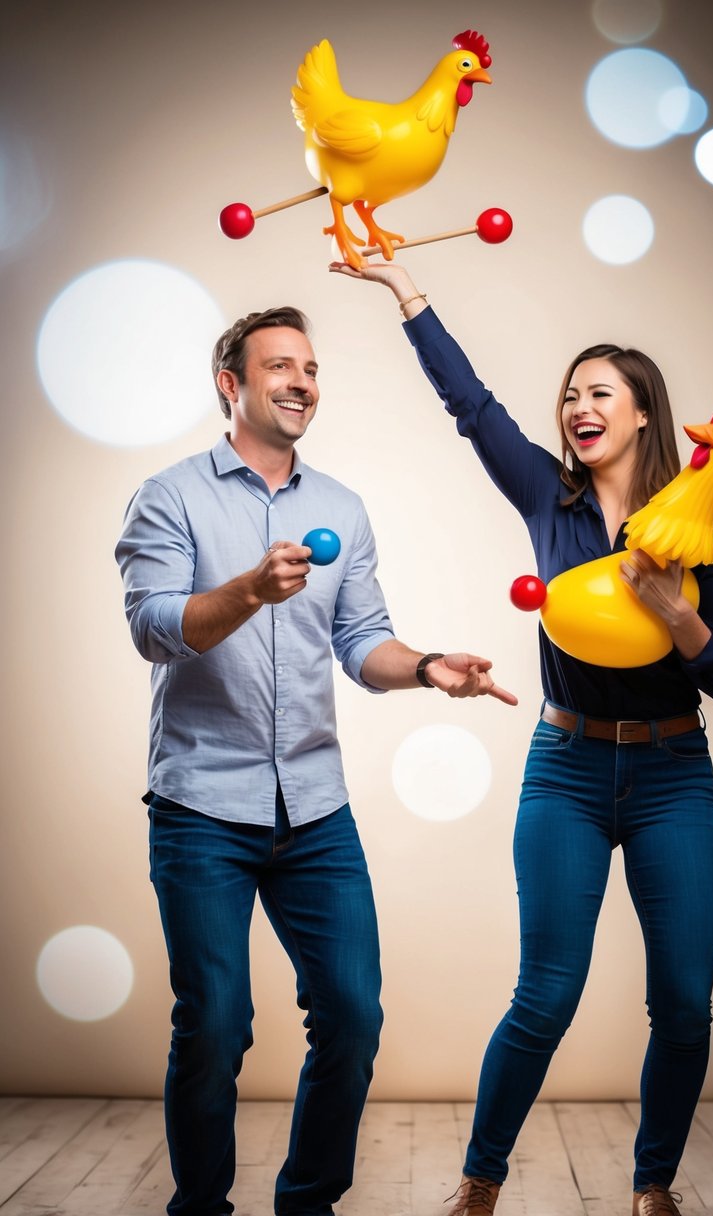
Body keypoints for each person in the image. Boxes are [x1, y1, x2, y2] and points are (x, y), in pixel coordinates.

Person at [329, 261, 713, 1216]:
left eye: (598, 392)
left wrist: (669, 611)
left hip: (673, 774)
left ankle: (652, 1187)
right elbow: (471, 407)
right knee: (545, 995)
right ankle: (479, 1183)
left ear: (644, 413)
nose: (575, 407)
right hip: (562, 767)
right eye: (568, 394)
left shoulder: (705, 528)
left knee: (683, 1003)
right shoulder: (546, 500)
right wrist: (409, 297)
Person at [115, 304, 516, 1216]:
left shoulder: (341, 508)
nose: (302, 382)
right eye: (279, 367)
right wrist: (249, 590)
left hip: (313, 808)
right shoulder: (170, 496)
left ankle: (307, 1203)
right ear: (233, 385)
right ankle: (200, 1209)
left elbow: (361, 638)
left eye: (310, 367)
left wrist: (423, 668)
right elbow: (154, 630)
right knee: (215, 1026)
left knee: (352, 1013)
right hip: (201, 807)